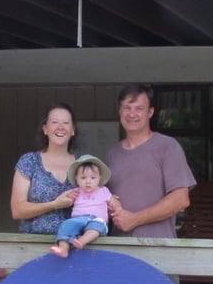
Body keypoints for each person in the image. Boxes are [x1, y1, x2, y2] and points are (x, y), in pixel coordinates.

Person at [105, 84, 196, 238]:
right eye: (127, 108)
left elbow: (181, 199)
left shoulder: (168, 146)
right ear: (120, 111)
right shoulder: (112, 154)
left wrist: (134, 219)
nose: (132, 114)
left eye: (139, 108)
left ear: (150, 112)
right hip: (119, 246)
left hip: (158, 246)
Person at [10, 103, 80, 234]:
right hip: (33, 242)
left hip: (74, 243)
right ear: (45, 129)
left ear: (73, 130)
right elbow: (17, 210)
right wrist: (54, 204)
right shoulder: (29, 161)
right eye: (54, 122)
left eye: (66, 123)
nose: (60, 127)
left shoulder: (83, 164)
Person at [50, 155, 114, 258]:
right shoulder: (76, 191)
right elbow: (64, 199)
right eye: (83, 178)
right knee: (66, 224)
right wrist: (69, 197)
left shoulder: (104, 191)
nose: (88, 181)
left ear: (99, 178)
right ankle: (63, 248)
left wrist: (118, 208)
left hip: (97, 219)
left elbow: (114, 202)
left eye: (93, 178)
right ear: (77, 179)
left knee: (96, 227)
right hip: (78, 219)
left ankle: (82, 241)